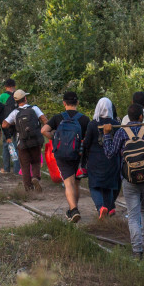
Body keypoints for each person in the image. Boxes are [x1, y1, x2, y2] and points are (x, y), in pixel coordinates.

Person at [101, 104, 144, 259]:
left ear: (128, 117)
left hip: (129, 179)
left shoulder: (121, 132)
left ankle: (136, 250)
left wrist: (106, 135)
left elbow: (110, 153)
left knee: (133, 215)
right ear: (141, 117)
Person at [43, 91, 91, 222]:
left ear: (64, 103)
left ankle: (73, 210)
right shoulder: (84, 119)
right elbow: (90, 137)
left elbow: (44, 130)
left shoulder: (58, 118)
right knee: (76, 182)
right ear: (77, 103)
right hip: (78, 154)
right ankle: (73, 208)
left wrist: (55, 138)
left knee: (68, 183)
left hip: (62, 154)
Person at [1, 90, 49, 192]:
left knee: (25, 165)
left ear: (16, 101)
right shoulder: (34, 108)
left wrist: (15, 123)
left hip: (22, 142)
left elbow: (4, 125)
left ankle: (28, 187)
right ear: (25, 98)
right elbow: (45, 120)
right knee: (36, 161)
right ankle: (35, 177)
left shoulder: (15, 112)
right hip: (35, 140)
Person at [83, 97, 122, 219]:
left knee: (94, 185)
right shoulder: (116, 124)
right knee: (108, 186)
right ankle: (108, 208)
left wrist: (84, 160)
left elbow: (86, 144)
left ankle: (100, 207)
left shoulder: (93, 124)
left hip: (96, 160)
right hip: (112, 161)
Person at [0, 79, 21, 175]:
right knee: (17, 145)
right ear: (14, 86)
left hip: (6, 123)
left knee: (6, 145)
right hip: (17, 124)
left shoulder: (3, 96)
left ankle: (6, 168)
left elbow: (0, 110)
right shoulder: (18, 94)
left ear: (5, 86)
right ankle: (17, 170)